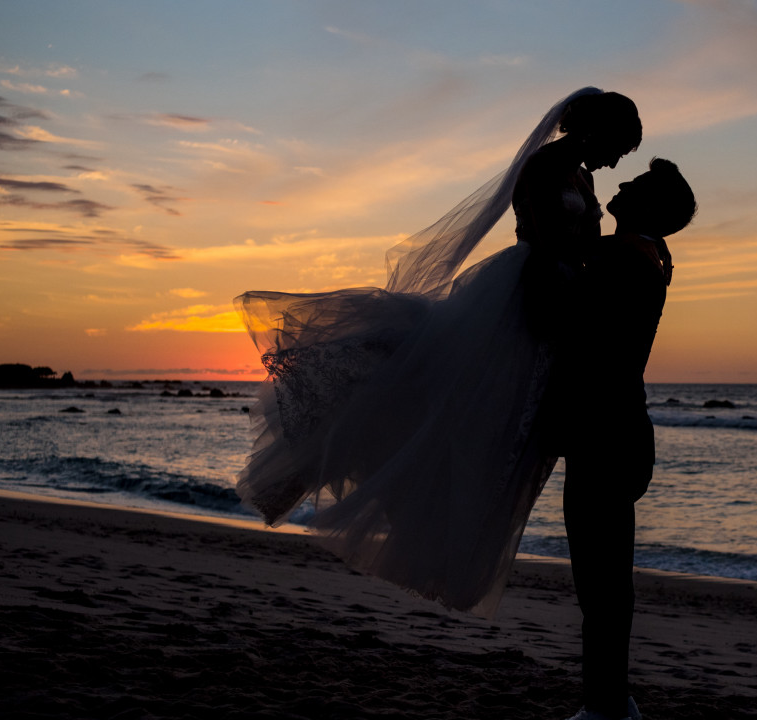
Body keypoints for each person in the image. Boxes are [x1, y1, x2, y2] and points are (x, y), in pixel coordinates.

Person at [233, 88, 642, 618]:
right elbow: (548, 241)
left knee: (497, 431)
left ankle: (453, 539)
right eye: (616, 147)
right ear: (593, 130)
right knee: (451, 405)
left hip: (561, 297)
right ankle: (331, 451)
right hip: (524, 294)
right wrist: (609, 253)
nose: (613, 161)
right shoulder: (544, 167)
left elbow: (583, 247)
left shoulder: (586, 178)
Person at [558, 159, 698, 720]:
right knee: (604, 585)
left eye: (634, 185)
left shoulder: (622, 259)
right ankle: (608, 701)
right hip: (617, 433)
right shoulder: (641, 255)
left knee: (602, 587)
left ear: (647, 208)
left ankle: (608, 706)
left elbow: (565, 319)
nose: (619, 186)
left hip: (607, 437)